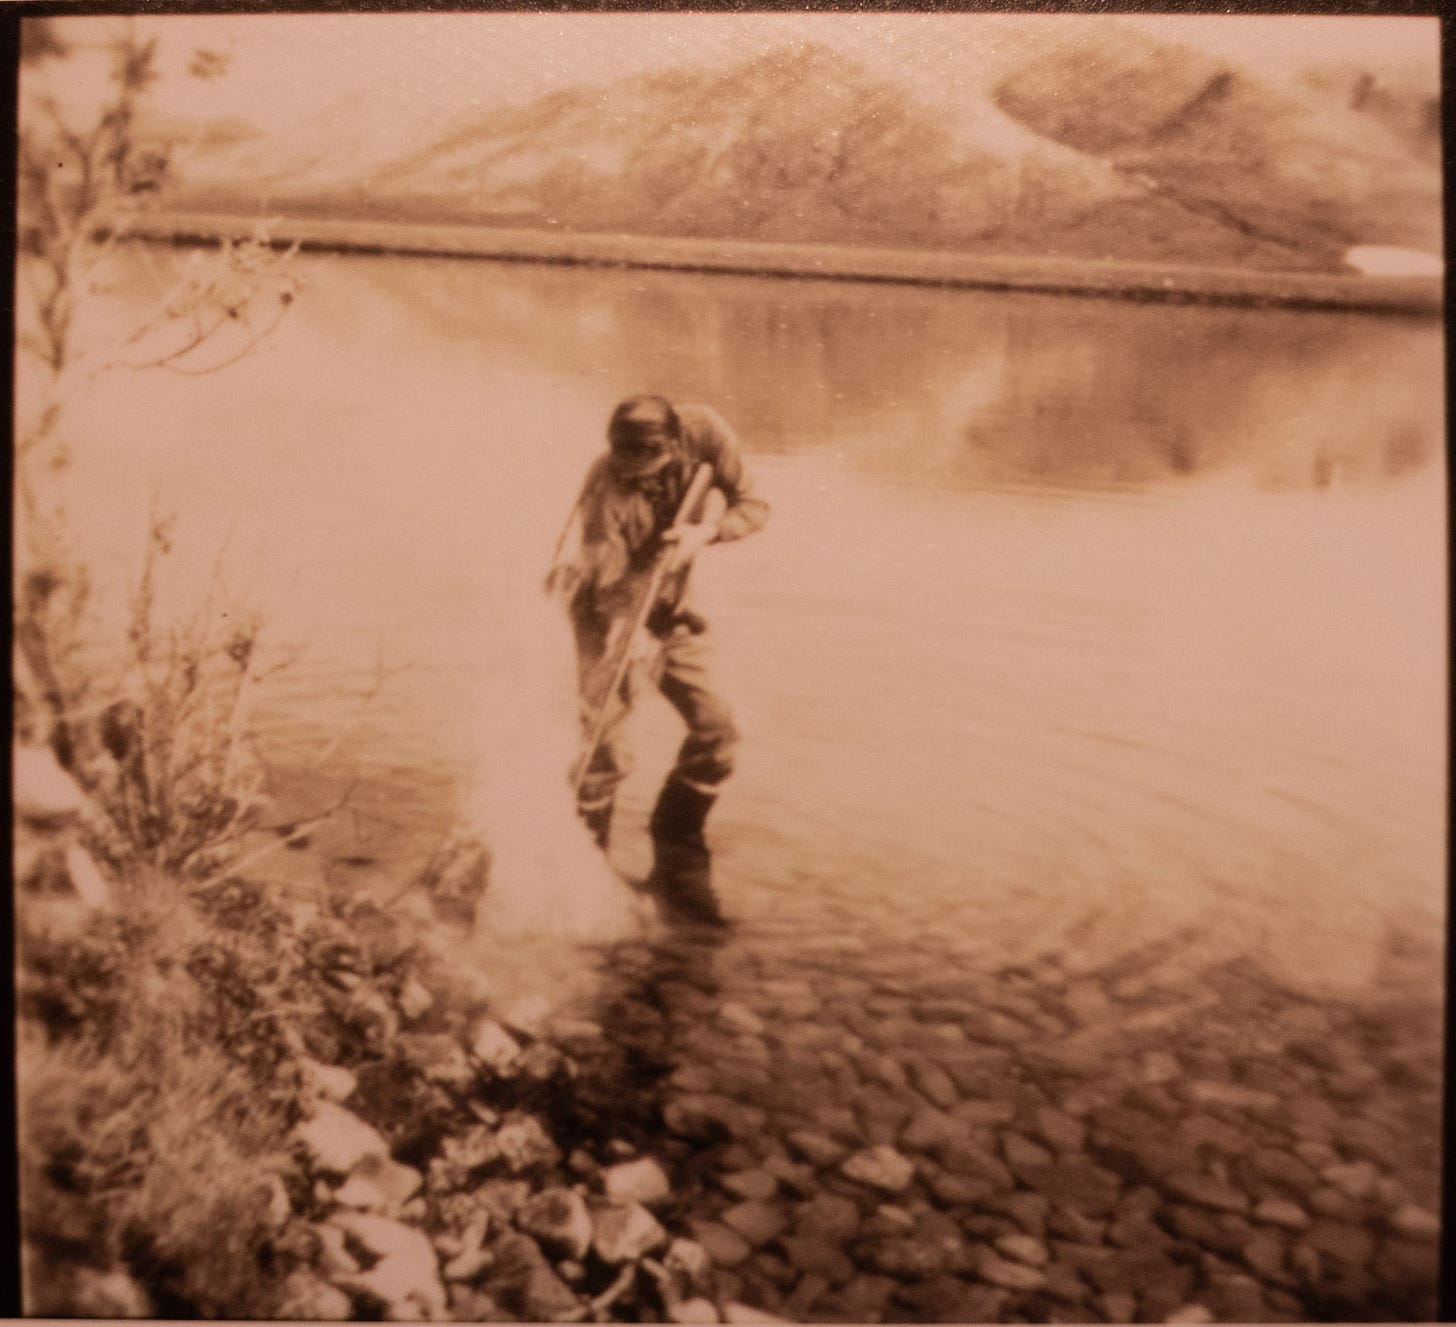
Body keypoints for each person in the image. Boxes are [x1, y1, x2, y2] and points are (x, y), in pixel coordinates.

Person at [547, 395, 769, 926]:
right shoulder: (606, 493)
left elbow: (754, 507)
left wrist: (704, 534)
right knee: (608, 755)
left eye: (646, 467)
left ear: (674, 445)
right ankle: (584, 866)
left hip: (674, 611)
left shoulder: (707, 433)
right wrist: (630, 634)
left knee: (720, 731)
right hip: (610, 615)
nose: (635, 476)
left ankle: (676, 839)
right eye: (625, 465)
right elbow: (607, 581)